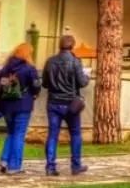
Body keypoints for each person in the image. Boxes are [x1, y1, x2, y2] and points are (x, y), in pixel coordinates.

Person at [41, 34, 91, 176]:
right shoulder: (76, 62)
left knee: (52, 135)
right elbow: (82, 82)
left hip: (53, 102)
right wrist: (87, 76)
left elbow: (44, 83)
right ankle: (76, 165)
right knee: (75, 134)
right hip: (71, 103)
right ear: (72, 46)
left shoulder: (50, 62)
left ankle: (50, 167)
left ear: (60, 45)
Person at [0, 42, 42, 174]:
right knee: (19, 135)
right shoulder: (29, 69)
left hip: (7, 106)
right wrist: (34, 93)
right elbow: (36, 86)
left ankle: (4, 160)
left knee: (11, 132)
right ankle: (15, 166)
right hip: (23, 104)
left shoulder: (5, 69)